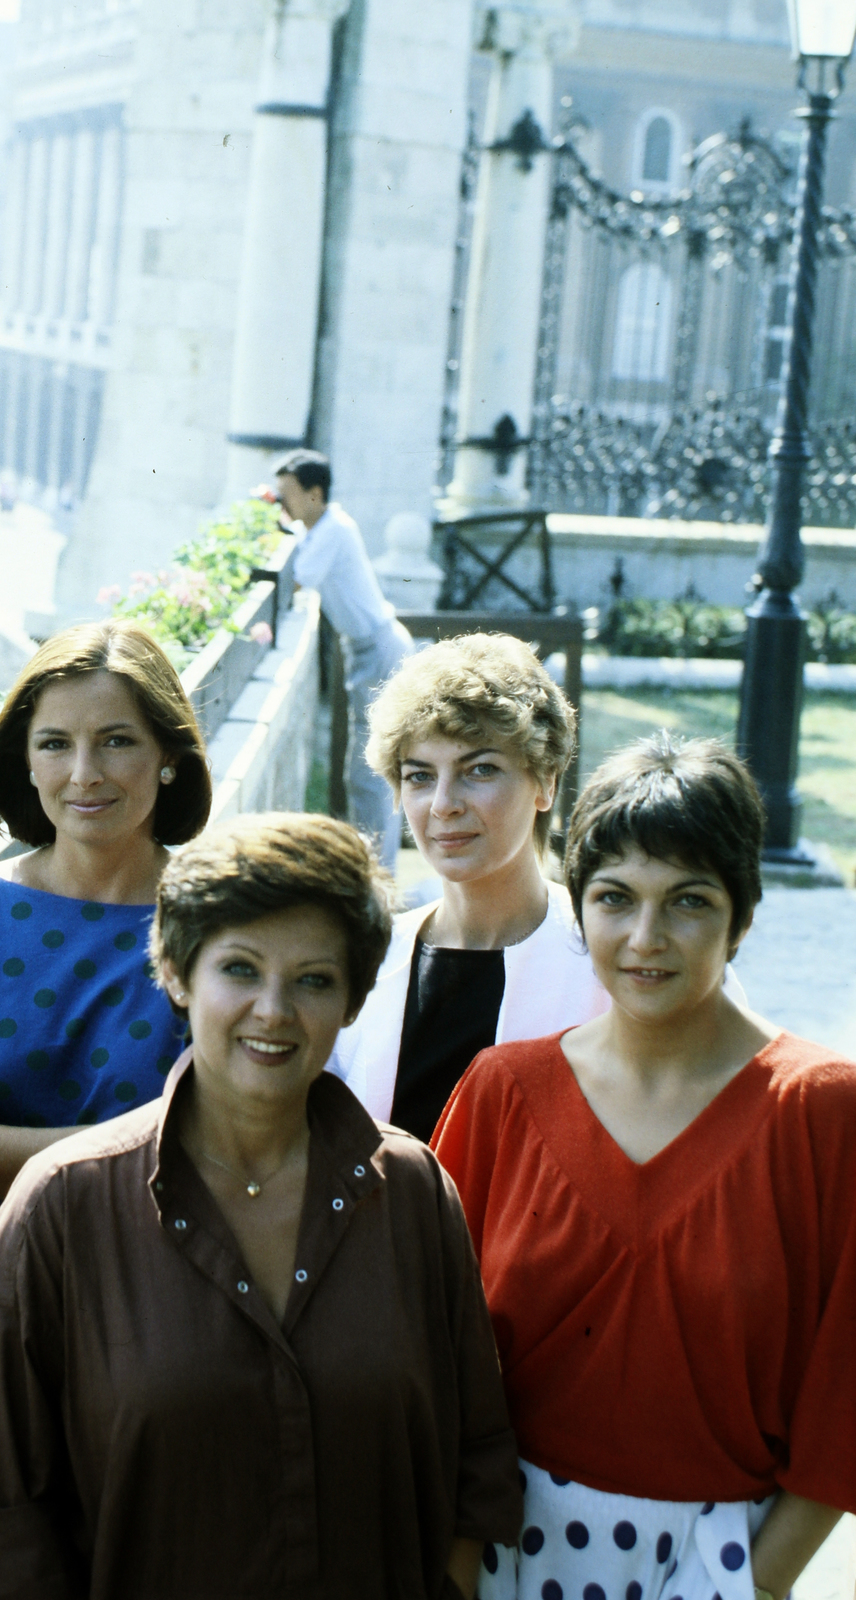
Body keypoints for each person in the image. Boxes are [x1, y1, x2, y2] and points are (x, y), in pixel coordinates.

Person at [0, 812, 523, 1599]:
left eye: (314, 979)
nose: (274, 1011)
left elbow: (473, 1462)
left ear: (352, 999)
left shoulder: (412, 1192)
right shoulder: (61, 1209)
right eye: (240, 969)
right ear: (176, 973)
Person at [433, 735, 856, 1600]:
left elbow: (845, 1390)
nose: (645, 937)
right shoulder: (503, 1092)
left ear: (741, 915)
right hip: (499, 1552)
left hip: (723, 1560)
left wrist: (753, 1583)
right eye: (615, 898)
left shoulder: (822, 1110)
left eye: (688, 901)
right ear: (578, 908)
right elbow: (427, 1353)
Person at [0, 619, 212, 1371]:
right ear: (25, 762)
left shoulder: (222, 923)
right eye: (56, 743)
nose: (84, 773)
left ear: (168, 756)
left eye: (117, 741)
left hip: (148, 1319)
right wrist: (131, 1154)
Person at [328, 632, 596, 1139]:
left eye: (479, 770)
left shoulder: (606, 958)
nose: (443, 804)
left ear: (545, 783)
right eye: (420, 776)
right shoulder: (368, 959)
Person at [273, 448, 413, 869]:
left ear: (314, 494)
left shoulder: (333, 530)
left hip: (379, 652)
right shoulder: (319, 531)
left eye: (288, 495)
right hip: (366, 652)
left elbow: (294, 582)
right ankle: (373, 867)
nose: (283, 503)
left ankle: (379, 875)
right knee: (365, 773)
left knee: (370, 775)